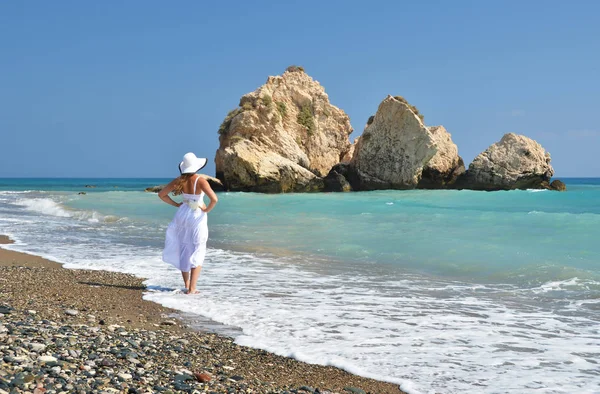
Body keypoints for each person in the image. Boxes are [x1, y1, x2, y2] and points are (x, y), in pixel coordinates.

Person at [159, 152, 218, 294]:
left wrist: (176, 204)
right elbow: (214, 199)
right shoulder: (201, 180)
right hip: (196, 215)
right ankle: (192, 289)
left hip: (182, 214)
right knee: (198, 248)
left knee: (184, 247)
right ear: (196, 166)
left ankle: (186, 285)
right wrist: (206, 209)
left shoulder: (179, 180)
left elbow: (161, 195)